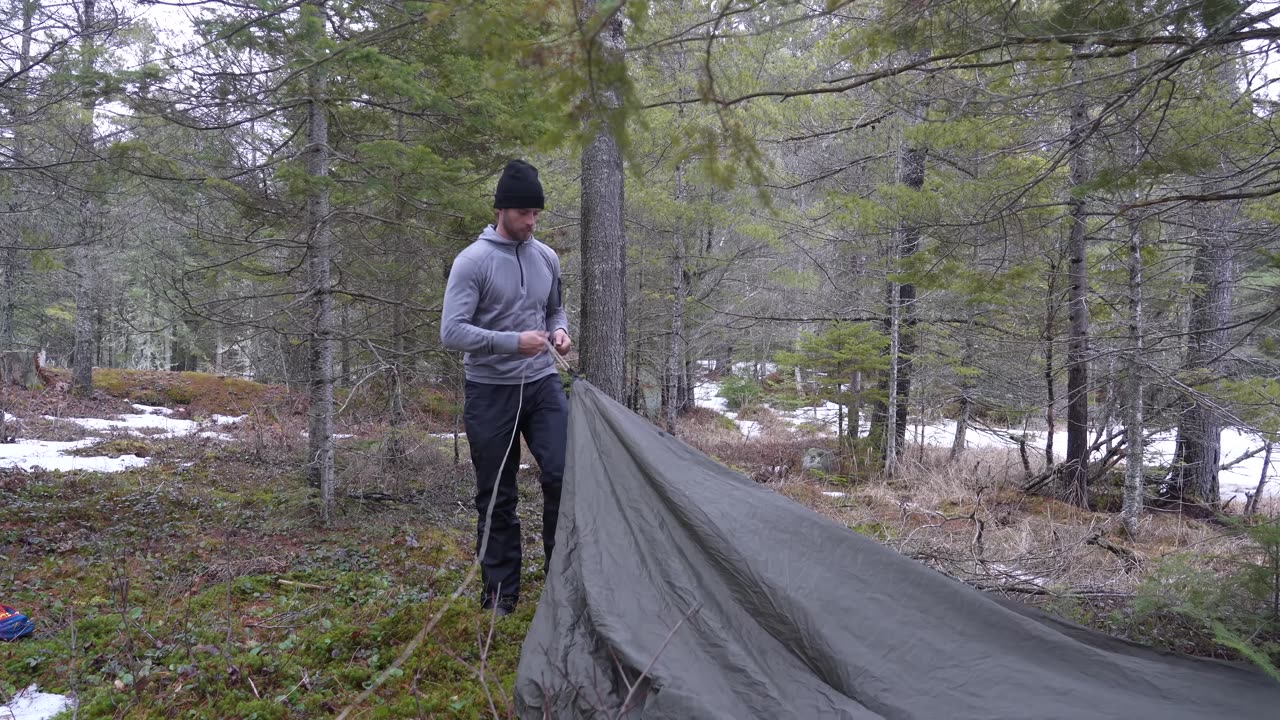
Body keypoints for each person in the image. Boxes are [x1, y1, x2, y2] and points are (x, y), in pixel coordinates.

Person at [440, 159, 572, 617]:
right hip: (490, 391)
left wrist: (559, 333)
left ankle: (562, 583)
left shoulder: (546, 257)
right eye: (523, 213)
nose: (531, 221)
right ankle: (500, 596)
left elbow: (554, 310)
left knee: (563, 476)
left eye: (536, 213)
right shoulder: (472, 262)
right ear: (501, 210)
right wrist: (512, 343)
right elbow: (451, 332)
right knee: (497, 493)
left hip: (541, 387)